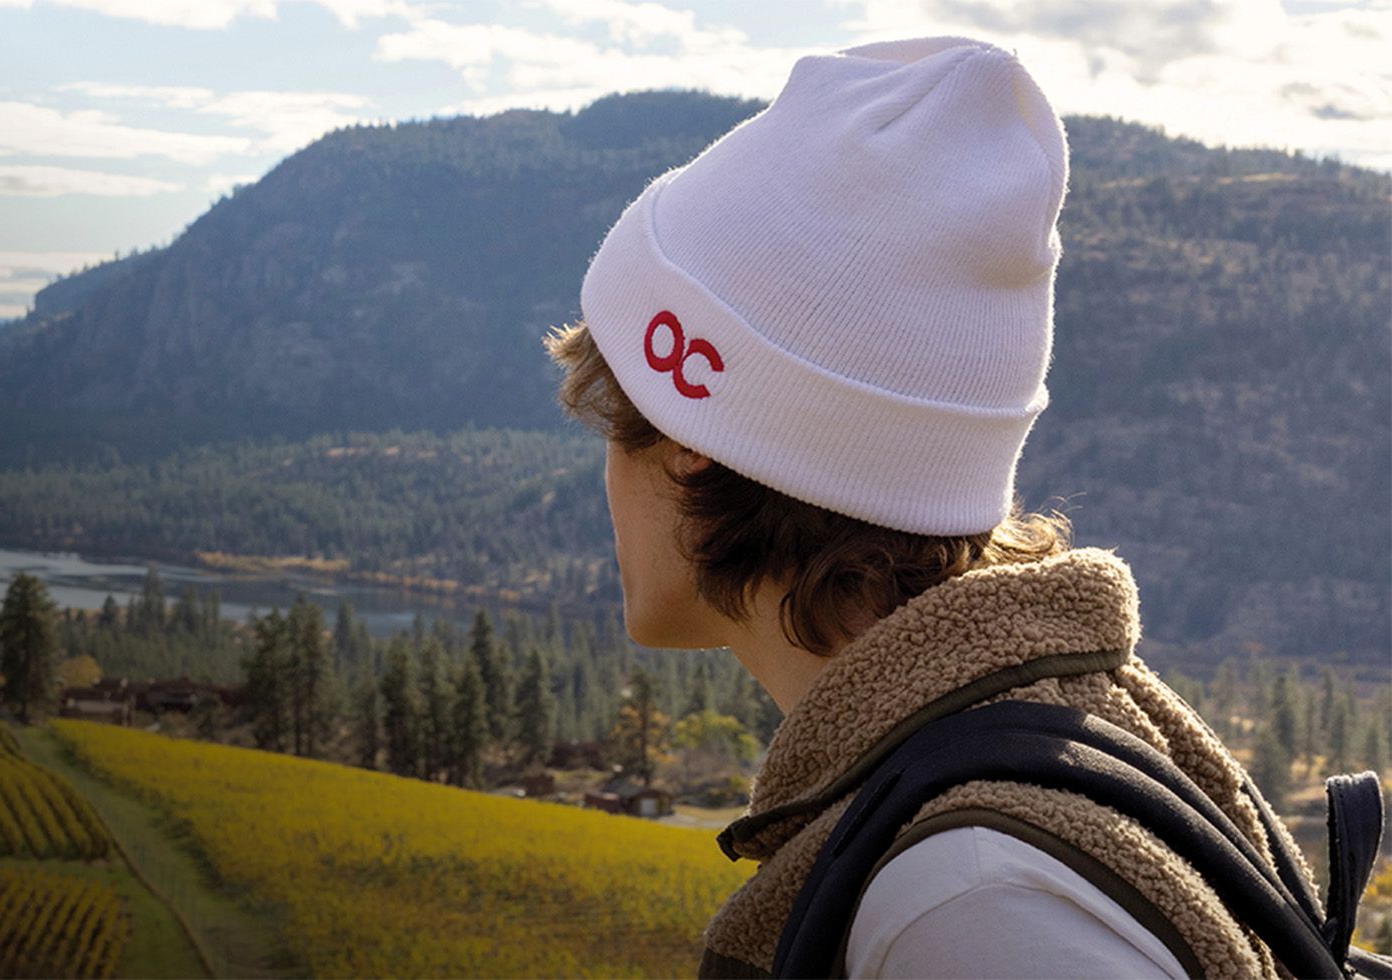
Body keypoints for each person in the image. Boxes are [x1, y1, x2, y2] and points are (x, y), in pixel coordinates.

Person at [545, 36, 1324, 978]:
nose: (607, 479)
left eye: (611, 423)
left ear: (689, 440)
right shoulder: (1053, 742)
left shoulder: (968, 906)